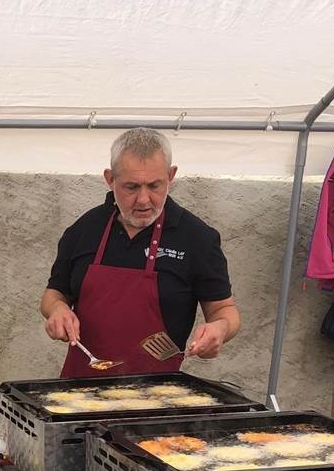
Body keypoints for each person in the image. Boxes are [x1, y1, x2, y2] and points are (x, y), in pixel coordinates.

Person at [40, 128, 240, 377]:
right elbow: (54, 294)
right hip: (77, 391)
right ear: (110, 179)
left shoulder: (198, 238)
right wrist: (57, 309)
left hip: (155, 396)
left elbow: (224, 310)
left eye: (155, 185)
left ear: (171, 175)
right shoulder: (85, 229)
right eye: (131, 187)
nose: (144, 200)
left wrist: (219, 329)